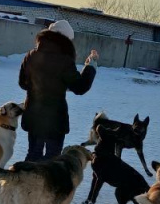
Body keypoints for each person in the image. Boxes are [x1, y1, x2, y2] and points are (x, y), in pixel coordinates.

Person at [18, 20, 99, 161]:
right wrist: (90, 65)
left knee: (33, 156)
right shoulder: (65, 61)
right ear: (65, 40)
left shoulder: (31, 55)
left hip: (34, 115)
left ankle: (26, 182)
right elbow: (80, 87)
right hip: (54, 120)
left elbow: (23, 84)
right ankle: (46, 183)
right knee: (52, 160)